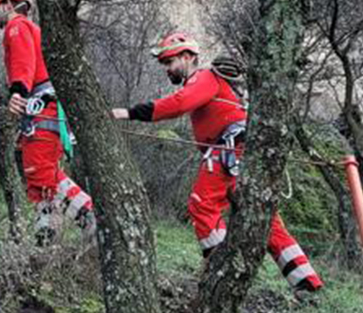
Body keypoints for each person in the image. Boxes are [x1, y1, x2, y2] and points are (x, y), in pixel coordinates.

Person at [111, 32, 322, 296]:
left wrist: (129, 112)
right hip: (243, 152)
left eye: (169, 62)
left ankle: (220, 274)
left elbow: (179, 103)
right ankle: (307, 284)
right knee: (265, 221)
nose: (167, 69)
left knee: (202, 205)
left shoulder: (205, 78)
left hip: (228, 151)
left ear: (187, 57)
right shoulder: (213, 81)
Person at [0, 0, 93, 242]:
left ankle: (92, 220)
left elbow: (24, 62)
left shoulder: (17, 26)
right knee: (37, 181)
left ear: (8, 5)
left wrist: (18, 91)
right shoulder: (33, 29)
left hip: (41, 105)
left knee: (42, 172)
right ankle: (45, 240)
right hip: (44, 107)